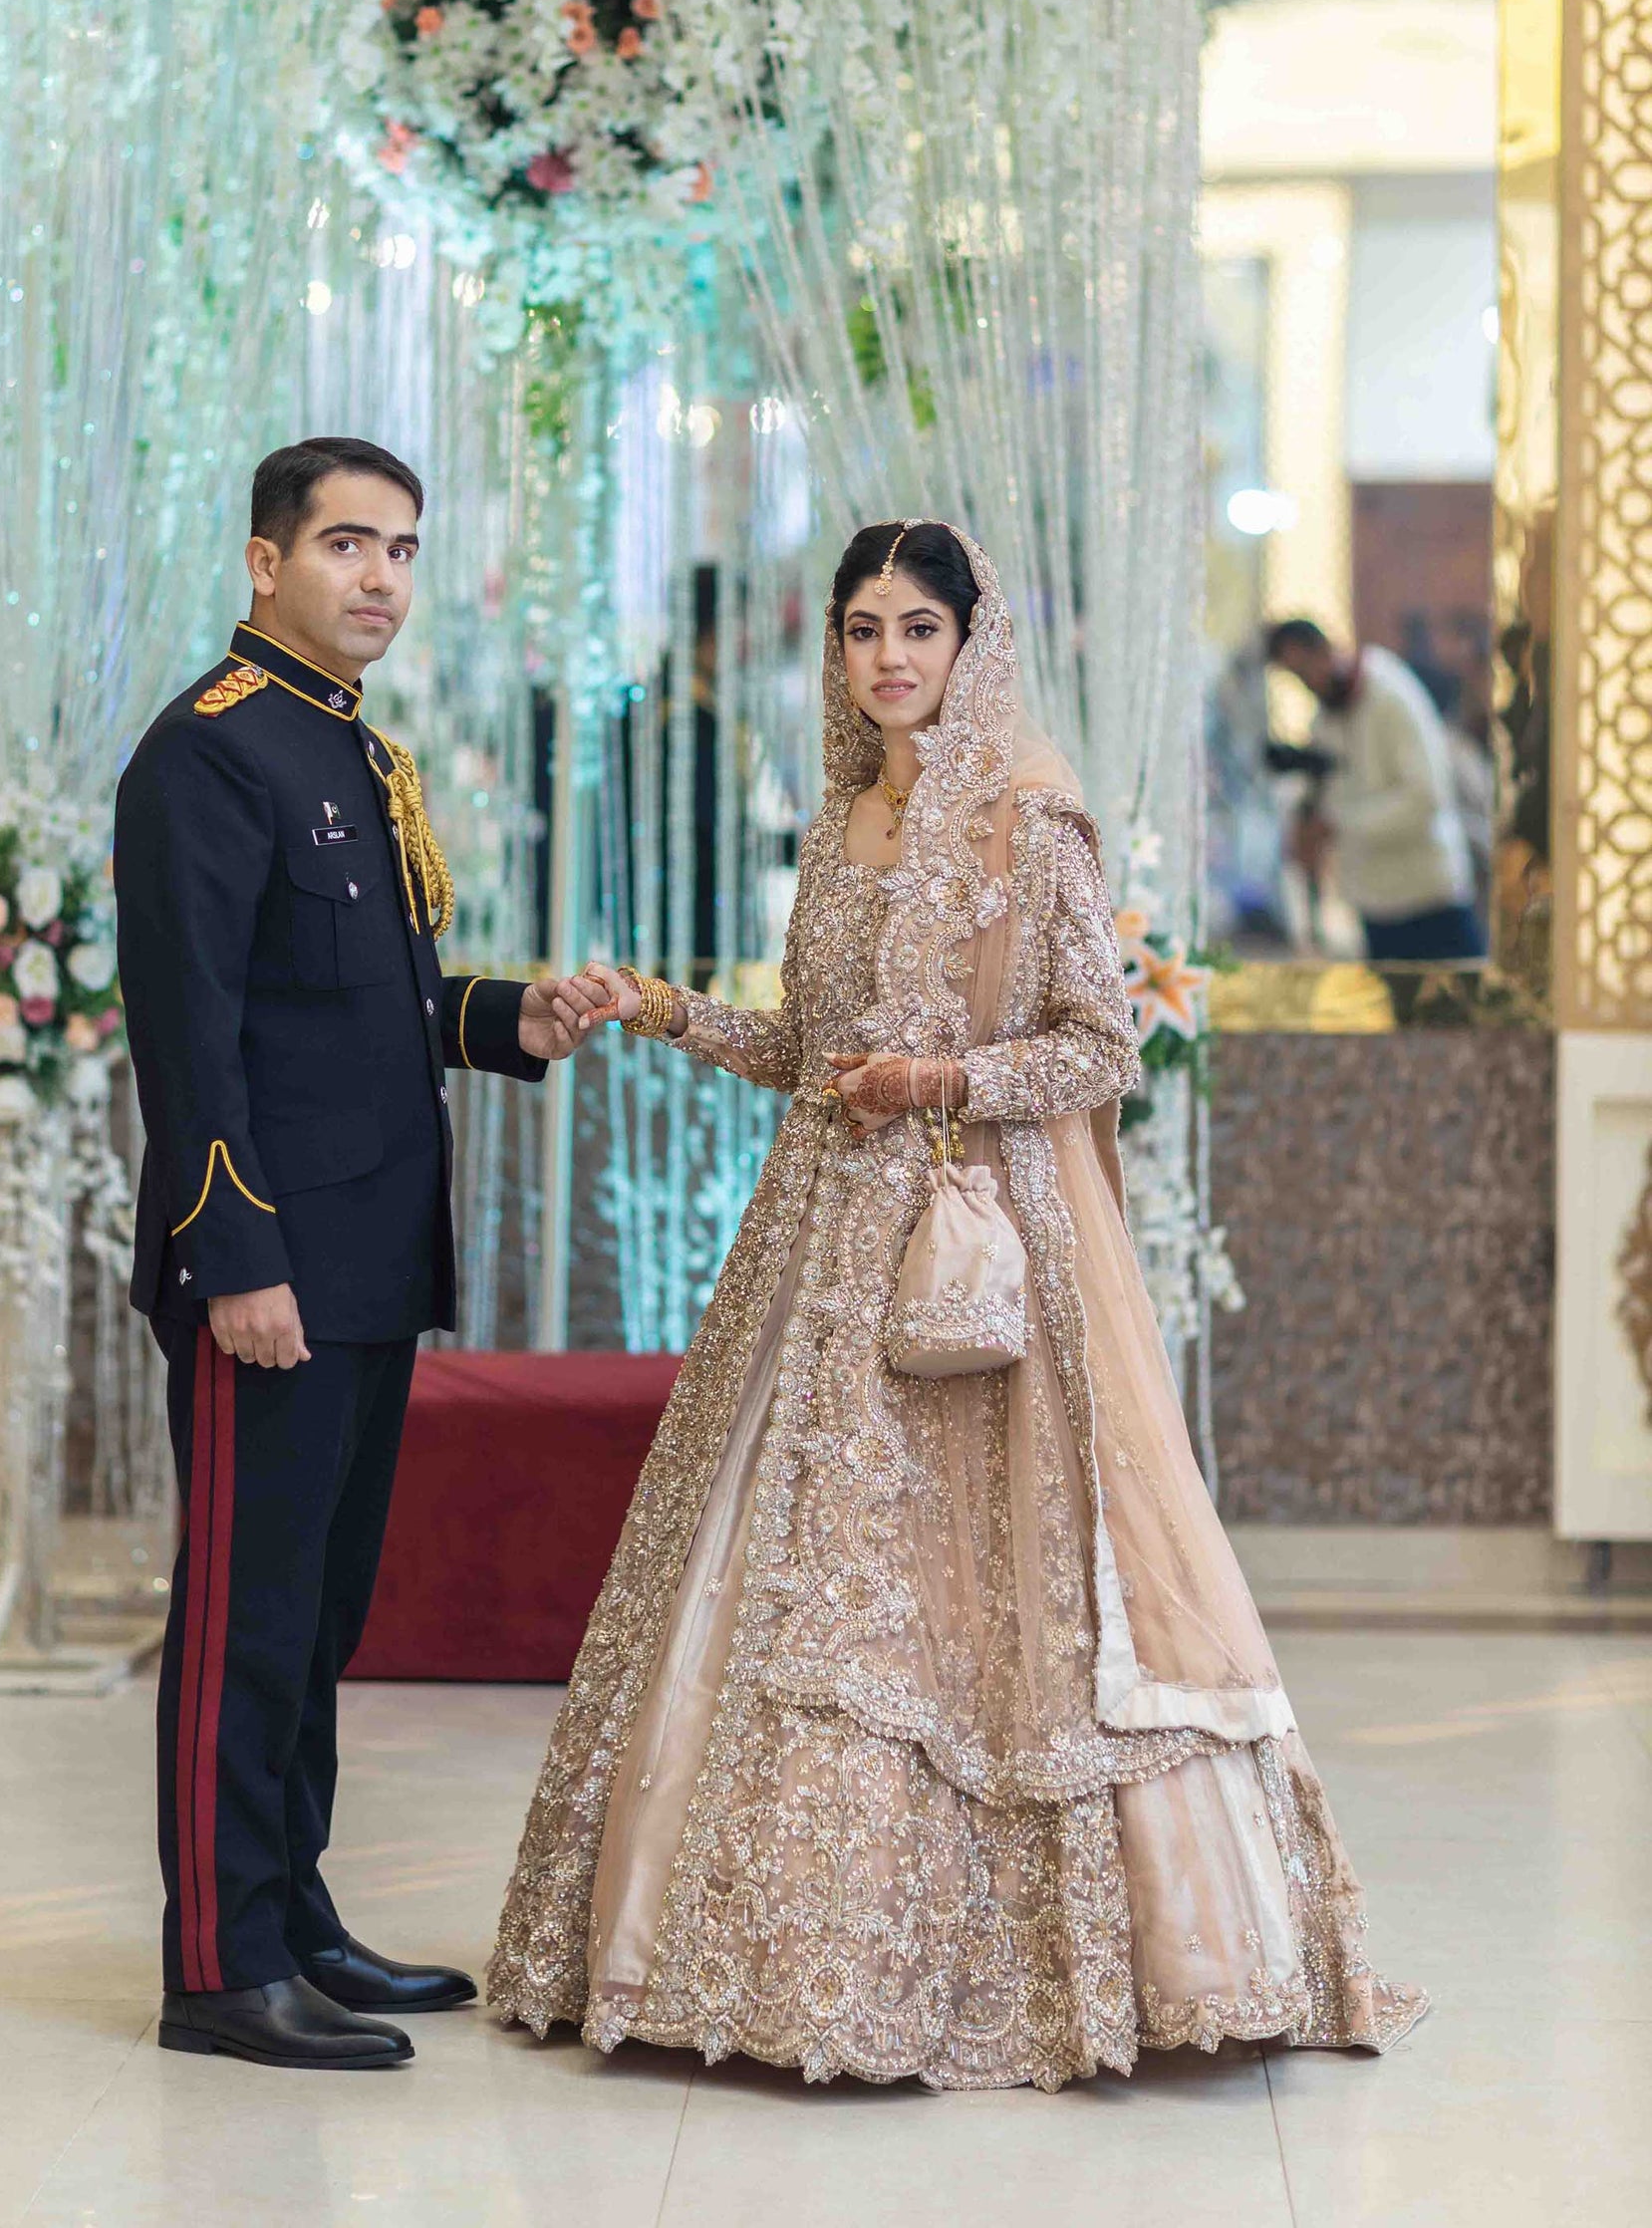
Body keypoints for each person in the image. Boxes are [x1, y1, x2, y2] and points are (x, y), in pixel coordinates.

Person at [489, 521, 1426, 2090]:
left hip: (979, 1255)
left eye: (917, 627)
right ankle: (760, 1955)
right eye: (862, 628)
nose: (887, 657)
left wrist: (938, 1081)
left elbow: (1095, 1044)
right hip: (816, 1258)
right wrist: (656, 1006)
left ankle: (1049, 1956)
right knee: (805, 1586)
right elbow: (805, 1049)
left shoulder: (1025, 814)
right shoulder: (837, 814)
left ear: (968, 643)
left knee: (996, 1604)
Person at [116, 434, 611, 2073]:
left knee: (316, 1615)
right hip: (270, 1266)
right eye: (346, 542)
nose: (380, 574)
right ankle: (220, 1962)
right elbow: (192, 1036)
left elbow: (356, 1004)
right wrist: (233, 1254)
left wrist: (506, 1015)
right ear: (267, 562)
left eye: (400, 545)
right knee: (241, 1618)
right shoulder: (207, 752)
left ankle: (297, 1916)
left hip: (371, 1250)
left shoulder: (349, 745)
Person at [1264, 617, 1487, 961]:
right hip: (1375, 905)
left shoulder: (1390, 695)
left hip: (1428, 901)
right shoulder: (1326, 718)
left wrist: (1336, 825)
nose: (1307, 683)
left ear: (1325, 650)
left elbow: (1425, 801)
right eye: (1296, 677)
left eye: (1306, 670)